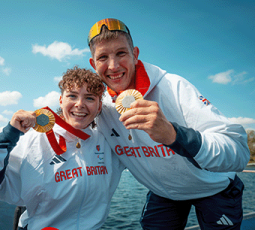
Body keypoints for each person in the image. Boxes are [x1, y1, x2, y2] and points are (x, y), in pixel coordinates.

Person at [87, 18, 250, 229]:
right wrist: (37, 118)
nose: (113, 66)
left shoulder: (174, 87)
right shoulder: (101, 105)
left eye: (121, 53)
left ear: (135, 54)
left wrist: (174, 135)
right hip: (165, 193)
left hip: (214, 188)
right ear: (93, 64)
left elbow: (238, 151)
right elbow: (70, 126)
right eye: (103, 57)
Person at [0, 66, 125, 230]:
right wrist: (7, 137)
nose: (80, 104)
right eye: (72, 96)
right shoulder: (32, 140)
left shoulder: (109, 141)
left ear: (99, 106)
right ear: (61, 100)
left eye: (89, 98)